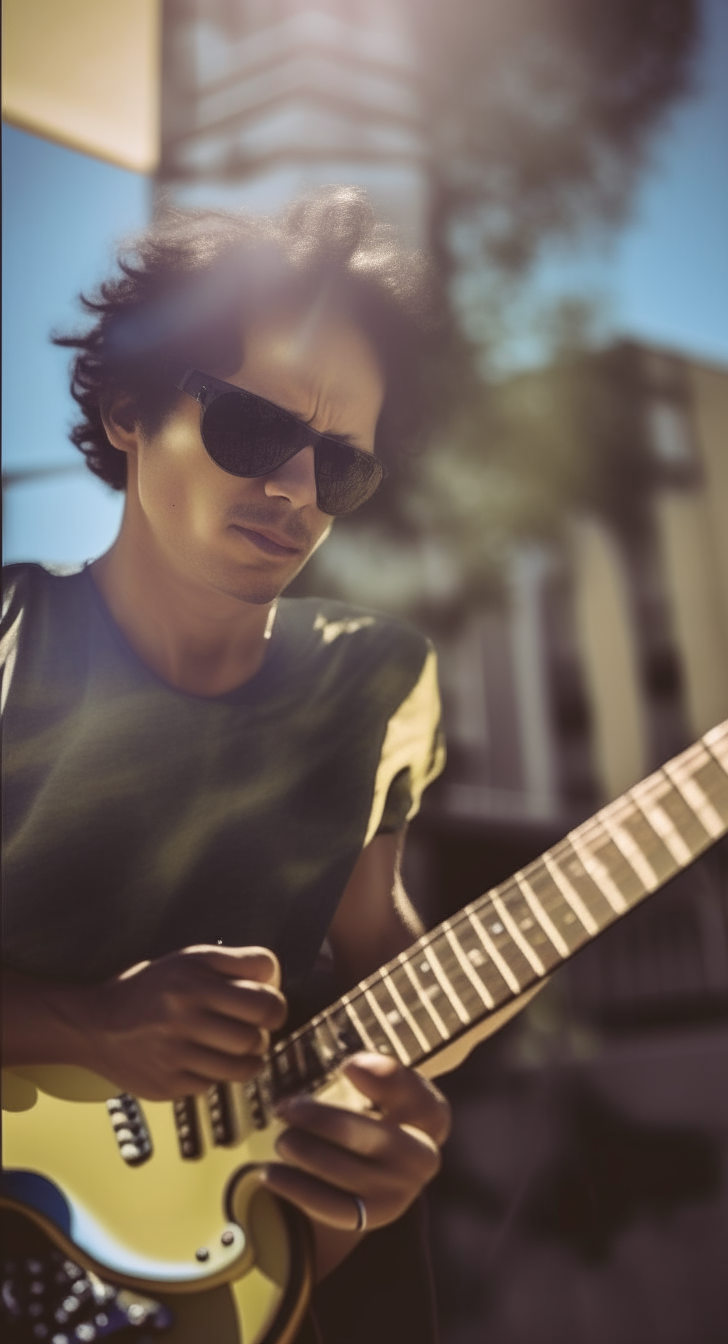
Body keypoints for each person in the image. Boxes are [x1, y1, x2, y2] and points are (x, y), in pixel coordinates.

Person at [1, 187, 451, 1343]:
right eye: (256, 430)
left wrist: (380, 1160)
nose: (298, 493)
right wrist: (83, 1025)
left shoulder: (380, 680)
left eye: (340, 466)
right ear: (126, 412)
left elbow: (376, 966)